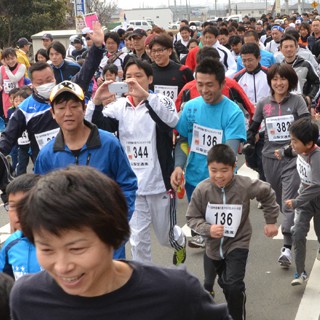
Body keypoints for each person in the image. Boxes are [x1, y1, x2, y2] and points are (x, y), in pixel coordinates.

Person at [10, 166, 232, 320]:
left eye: (76, 248)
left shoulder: (176, 293)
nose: (62, 266)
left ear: (112, 235)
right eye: (46, 249)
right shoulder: (27, 298)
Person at [86, 58, 186, 265]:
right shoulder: (118, 106)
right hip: (131, 185)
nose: (133, 81)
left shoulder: (161, 101)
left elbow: (173, 123)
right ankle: (145, 287)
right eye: (128, 77)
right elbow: (92, 126)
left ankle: (180, 242)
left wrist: (147, 98)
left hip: (159, 183)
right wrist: (95, 102)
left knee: (165, 237)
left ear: (150, 79)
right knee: (138, 241)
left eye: (138, 76)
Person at [34, 80, 137, 259]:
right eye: (61, 108)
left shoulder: (109, 144)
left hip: (108, 236)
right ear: (52, 113)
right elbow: (40, 199)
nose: (68, 113)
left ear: (84, 108)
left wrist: (117, 221)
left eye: (74, 106)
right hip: (68, 242)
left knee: (111, 285)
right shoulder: (47, 155)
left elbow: (127, 185)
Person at [186, 144, 279, 320]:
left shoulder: (244, 185)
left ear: (233, 168)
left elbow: (267, 192)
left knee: (235, 286)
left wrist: (271, 221)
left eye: (224, 170)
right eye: (214, 170)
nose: (219, 175)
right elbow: (191, 218)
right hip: (213, 247)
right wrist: (208, 229)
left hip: (238, 242)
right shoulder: (202, 189)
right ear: (208, 168)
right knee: (226, 284)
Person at [0, 21, 105, 161]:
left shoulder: (66, 91)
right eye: (40, 82)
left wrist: (97, 47)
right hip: (46, 168)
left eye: (49, 79)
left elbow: (86, 72)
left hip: (76, 161)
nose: (46, 84)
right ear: (32, 85)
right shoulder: (25, 109)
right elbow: (8, 137)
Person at [246, 63, 310, 267]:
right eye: (275, 79)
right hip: (269, 157)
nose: (279, 83)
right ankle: (295, 219)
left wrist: (295, 148)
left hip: (291, 158)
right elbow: (254, 126)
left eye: (283, 79)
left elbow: (306, 126)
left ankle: (287, 247)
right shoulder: (264, 103)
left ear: (290, 82)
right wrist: (248, 142)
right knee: (281, 200)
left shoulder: (297, 101)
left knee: (289, 198)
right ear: (270, 81)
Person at [279, 118, 320, 285]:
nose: (292, 144)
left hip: (314, 197)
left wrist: (296, 201)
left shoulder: (316, 157)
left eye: (294, 141)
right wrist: (282, 152)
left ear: (309, 143)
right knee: (298, 232)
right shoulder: (300, 149)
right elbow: (293, 150)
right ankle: (300, 272)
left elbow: (317, 185)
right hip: (305, 200)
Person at [0, 174, 41, 280]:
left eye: (25, 205)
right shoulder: (10, 245)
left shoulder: (61, 244)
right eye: (12, 206)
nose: (18, 213)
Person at [149, 34, 194, 103]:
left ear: (169, 51)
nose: (156, 54)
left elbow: (192, 93)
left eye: (160, 50)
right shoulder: (147, 70)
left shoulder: (183, 71)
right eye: (154, 51)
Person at [0, 48, 26, 119]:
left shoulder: (21, 67)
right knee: (9, 117)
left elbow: (14, 79)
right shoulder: (1, 68)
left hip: (19, 97)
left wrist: (6, 68)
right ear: (4, 60)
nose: (10, 61)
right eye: (7, 59)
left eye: (12, 58)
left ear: (16, 57)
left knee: (20, 116)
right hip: (7, 97)